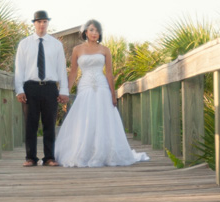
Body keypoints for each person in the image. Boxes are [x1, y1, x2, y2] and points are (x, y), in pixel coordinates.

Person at [54, 20, 150, 167]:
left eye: (97, 31)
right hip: (85, 85)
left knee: (103, 118)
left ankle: (104, 152)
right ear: (86, 32)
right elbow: (73, 73)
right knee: (85, 117)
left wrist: (113, 94)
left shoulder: (105, 50)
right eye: (91, 30)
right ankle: (85, 151)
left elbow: (109, 74)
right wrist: (65, 91)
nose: (94, 33)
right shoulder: (77, 50)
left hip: (102, 86)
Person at [14, 10, 69, 167]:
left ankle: (49, 157)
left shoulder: (56, 45)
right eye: (39, 21)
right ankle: (30, 158)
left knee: (49, 123)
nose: (42, 24)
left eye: (45, 21)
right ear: (34, 23)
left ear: (48, 23)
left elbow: (61, 69)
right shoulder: (24, 44)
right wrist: (19, 89)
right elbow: (19, 68)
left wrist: (64, 90)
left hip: (50, 87)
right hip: (30, 87)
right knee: (30, 124)